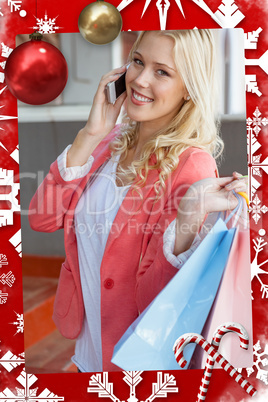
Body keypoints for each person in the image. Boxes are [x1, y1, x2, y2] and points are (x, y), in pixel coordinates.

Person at [28, 30, 247, 372]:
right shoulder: (108, 142)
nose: (140, 79)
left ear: (189, 87)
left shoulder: (191, 163)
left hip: (135, 359)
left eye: (162, 71)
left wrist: (188, 215)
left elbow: (157, 300)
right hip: (88, 347)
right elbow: (42, 219)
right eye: (138, 62)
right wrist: (89, 134)